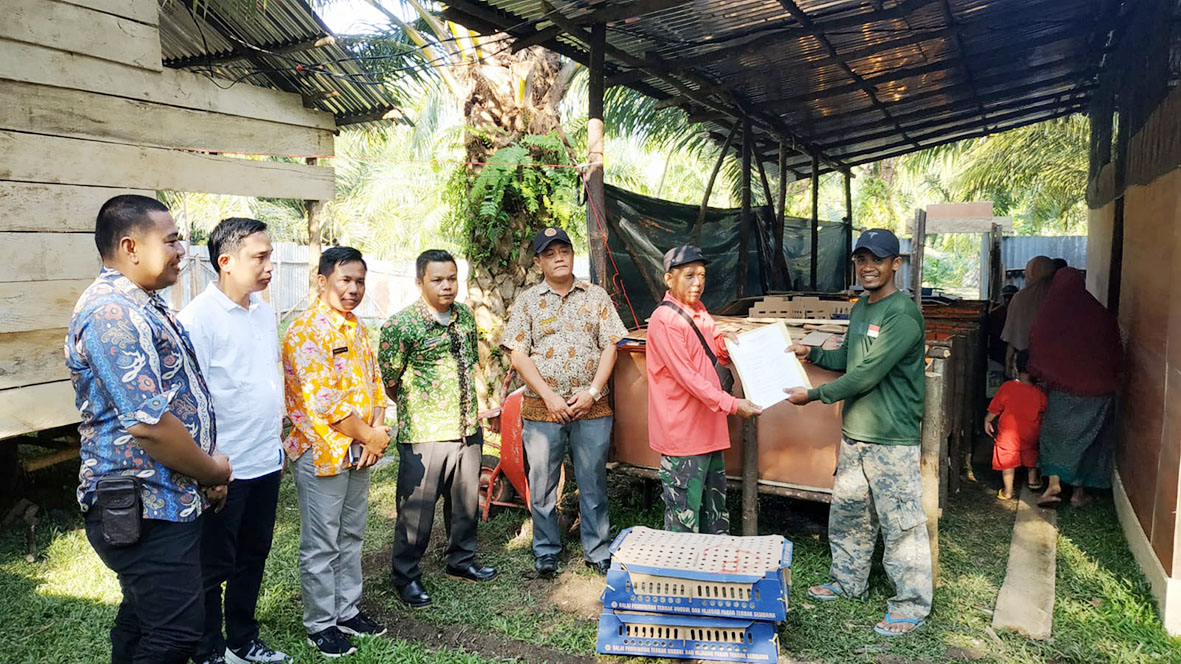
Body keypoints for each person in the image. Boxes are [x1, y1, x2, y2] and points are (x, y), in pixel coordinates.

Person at [66, 195, 233, 663]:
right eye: (173, 241)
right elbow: (151, 427)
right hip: (143, 503)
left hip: (165, 497)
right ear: (130, 247)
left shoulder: (142, 303)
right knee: (176, 634)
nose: (183, 251)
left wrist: (203, 474)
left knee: (143, 622)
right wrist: (211, 472)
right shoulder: (112, 312)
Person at [784, 228, 931, 638]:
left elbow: (867, 374)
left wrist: (814, 394)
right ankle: (848, 581)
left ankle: (911, 603)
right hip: (856, 433)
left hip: (892, 439)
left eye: (877, 260)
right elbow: (850, 357)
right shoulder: (862, 306)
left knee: (901, 523)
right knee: (850, 514)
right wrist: (811, 352)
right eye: (861, 259)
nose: (867, 267)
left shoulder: (902, 313)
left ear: (895, 264)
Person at [177, 218, 289, 664]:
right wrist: (209, 468)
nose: (269, 267)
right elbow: (188, 400)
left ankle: (242, 638)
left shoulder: (262, 311)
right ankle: (209, 650)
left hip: (266, 458)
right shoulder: (196, 320)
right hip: (226, 468)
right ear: (226, 261)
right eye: (259, 257)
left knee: (253, 556)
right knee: (214, 566)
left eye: (270, 257)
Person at [501, 227, 628, 577]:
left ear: (573, 256)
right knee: (541, 483)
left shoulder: (595, 296)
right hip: (544, 408)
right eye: (550, 253)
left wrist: (592, 391)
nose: (559, 257)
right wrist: (549, 396)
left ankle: (597, 549)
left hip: (592, 407)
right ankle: (546, 550)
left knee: (592, 481)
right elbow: (518, 354)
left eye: (565, 251)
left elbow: (610, 345)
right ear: (540, 261)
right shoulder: (527, 300)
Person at [283, 247, 390, 658]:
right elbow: (324, 402)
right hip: (322, 451)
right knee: (322, 541)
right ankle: (321, 624)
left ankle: (347, 610)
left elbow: (375, 382)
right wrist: (369, 436)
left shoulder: (356, 327)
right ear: (322, 279)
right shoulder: (306, 330)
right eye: (345, 280)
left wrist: (375, 431)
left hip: (360, 448)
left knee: (351, 534)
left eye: (360, 281)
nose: (354, 289)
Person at [378, 250, 498, 609]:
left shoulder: (463, 316)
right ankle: (406, 576)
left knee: (464, 505)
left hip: (466, 427)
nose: (447, 286)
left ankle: (460, 562)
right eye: (437, 279)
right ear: (419, 282)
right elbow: (390, 381)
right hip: (425, 434)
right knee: (417, 511)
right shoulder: (401, 326)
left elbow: (470, 365)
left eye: (452, 278)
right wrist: (423, 409)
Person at [645, 245, 762, 533]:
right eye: (689, 276)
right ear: (669, 279)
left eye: (702, 275)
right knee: (684, 517)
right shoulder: (665, 320)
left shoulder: (697, 310)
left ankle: (717, 570)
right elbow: (689, 378)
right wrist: (734, 405)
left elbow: (713, 348)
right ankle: (682, 574)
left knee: (715, 511)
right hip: (683, 436)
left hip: (710, 429)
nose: (697, 282)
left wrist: (729, 342)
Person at [1028, 268, 1122, 509]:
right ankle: (1079, 493)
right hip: (1098, 390)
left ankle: (1053, 486)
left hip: (1062, 389)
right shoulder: (1100, 315)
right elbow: (1115, 349)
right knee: (1090, 439)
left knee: (1056, 436)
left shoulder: (1049, 314)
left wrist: (1041, 374)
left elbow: (1037, 344)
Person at [985, 350, 1046, 500]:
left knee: (1007, 459)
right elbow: (1044, 411)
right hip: (1031, 433)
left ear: (1016, 368)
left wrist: (987, 420)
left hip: (1008, 435)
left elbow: (995, 409)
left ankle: (1008, 491)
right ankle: (1032, 480)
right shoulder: (1040, 393)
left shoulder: (1007, 388)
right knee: (1031, 452)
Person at [1001, 255, 1055, 377]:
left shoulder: (1020, 298)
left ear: (1029, 272)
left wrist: (1007, 364)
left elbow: (1012, 335)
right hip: (1053, 363)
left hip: (1025, 365)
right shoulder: (1059, 298)